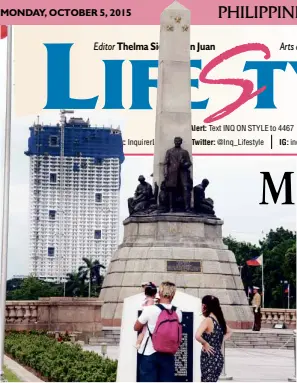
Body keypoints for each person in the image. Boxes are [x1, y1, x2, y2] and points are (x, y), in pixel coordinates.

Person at [134, 281, 182, 382]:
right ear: (173, 294)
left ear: (159, 293)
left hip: (149, 353)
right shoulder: (177, 312)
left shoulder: (150, 310)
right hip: (169, 354)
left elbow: (136, 327)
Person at [195, 295, 232, 382]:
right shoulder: (219, 320)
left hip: (209, 358)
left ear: (205, 306)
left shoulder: (208, 320)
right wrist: (219, 340)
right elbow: (230, 332)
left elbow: (197, 335)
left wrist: (205, 343)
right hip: (218, 358)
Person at [135, 283, 157, 349]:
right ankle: (138, 344)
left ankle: (138, 343)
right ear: (153, 294)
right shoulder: (151, 300)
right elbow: (149, 309)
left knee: (142, 332)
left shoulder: (146, 299)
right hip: (147, 318)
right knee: (144, 332)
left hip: (143, 317)